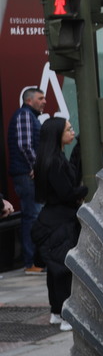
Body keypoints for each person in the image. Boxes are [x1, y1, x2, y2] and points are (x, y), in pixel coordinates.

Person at [30, 118, 85, 331]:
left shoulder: (49, 159)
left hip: (50, 219)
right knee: (62, 270)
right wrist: (84, 191)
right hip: (59, 221)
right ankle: (64, 315)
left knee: (55, 270)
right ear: (57, 135)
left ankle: (56, 312)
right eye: (69, 129)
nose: (72, 131)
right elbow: (66, 192)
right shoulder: (54, 161)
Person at [7, 86, 45, 275]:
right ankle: (30, 262)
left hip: (25, 174)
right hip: (26, 175)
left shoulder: (29, 116)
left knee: (33, 216)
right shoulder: (24, 115)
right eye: (40, 98)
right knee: (31, 217)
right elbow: (24, 144)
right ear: (29, 101)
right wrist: (35, 166)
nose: (44, 101)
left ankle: (33, 261)